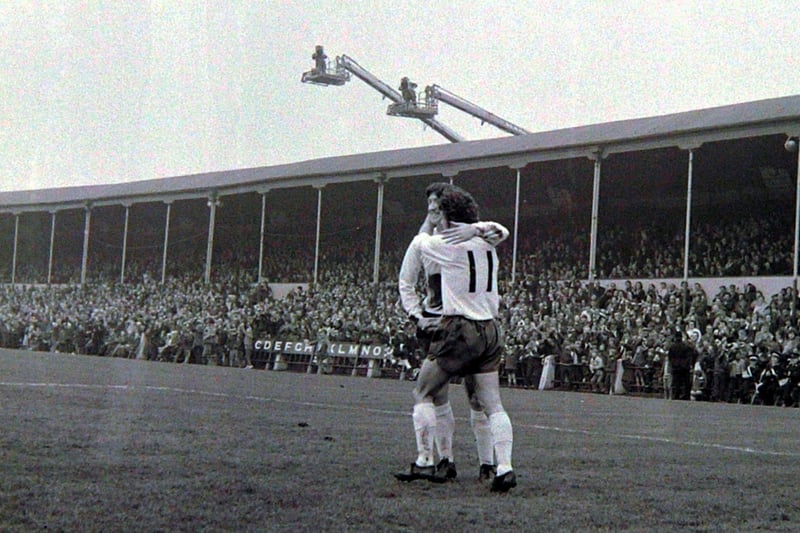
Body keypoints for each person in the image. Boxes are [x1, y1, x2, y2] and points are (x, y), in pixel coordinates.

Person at [394, 184, 516, 493]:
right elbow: (501, 231)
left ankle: (424, 461)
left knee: (423, 391)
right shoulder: (488, 242)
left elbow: (419, 243)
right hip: (490, 328)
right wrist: (475, 226)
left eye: (438, 210)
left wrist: (431, 221)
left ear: (446, 214)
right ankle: (504, 467)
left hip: (460, 328)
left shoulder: (444, 244)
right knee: (493, 405)